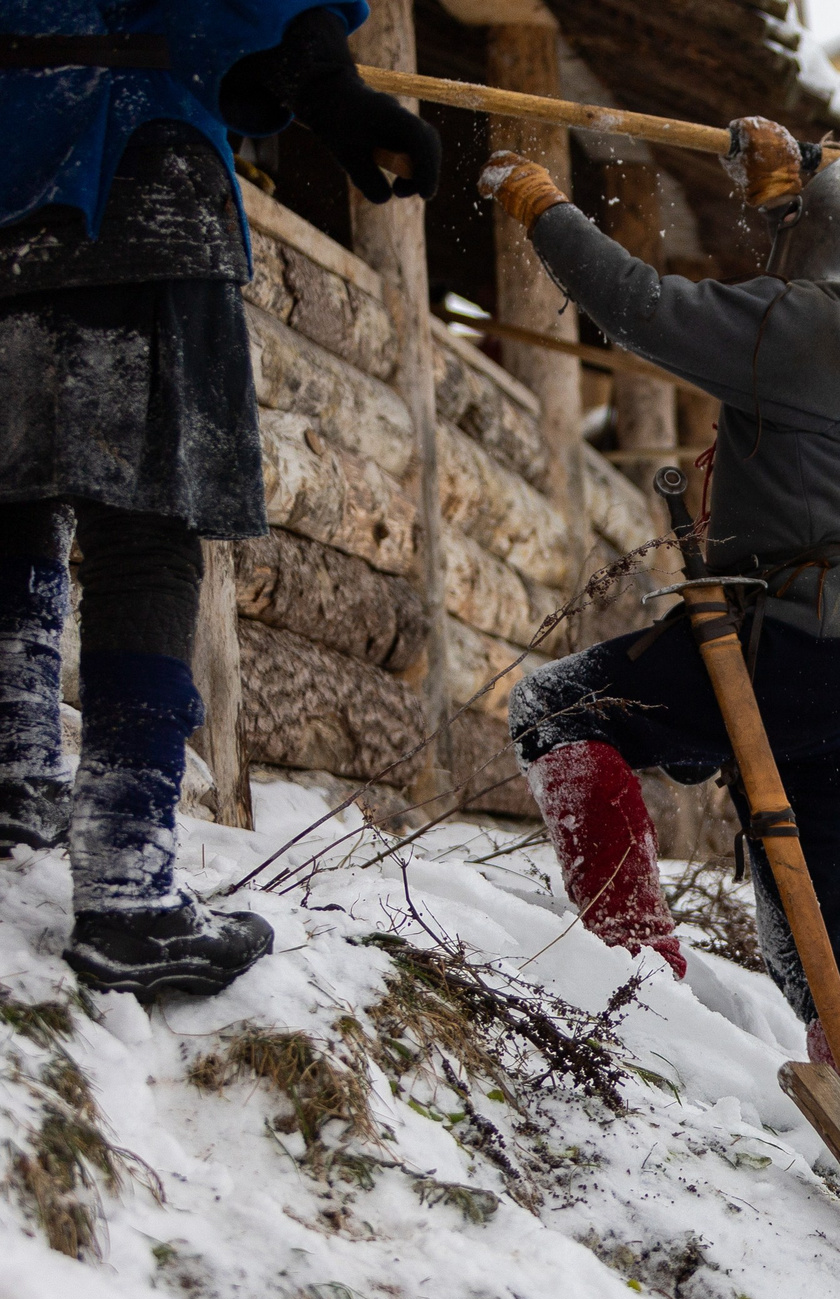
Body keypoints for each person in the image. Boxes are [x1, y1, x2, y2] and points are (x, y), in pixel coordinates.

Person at [477, 126, 840, 1141]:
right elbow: (792, 305)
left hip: (779, 637)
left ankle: (632, 968)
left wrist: (542, 211)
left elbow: (642, 309)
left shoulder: (809, 328)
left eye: (806, 215)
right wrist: (783, 205)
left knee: (556, 709)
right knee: (811, 920)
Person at [0, 0, 439, 996]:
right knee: (147, 530)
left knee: (13, 486)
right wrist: (332, 86)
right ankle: (125, 894)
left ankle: (15, 779)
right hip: (130, 171)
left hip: (6, 183)